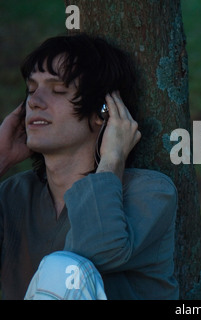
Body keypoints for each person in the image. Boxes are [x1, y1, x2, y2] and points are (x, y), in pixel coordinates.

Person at [0, 33, 179, 300]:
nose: (34, 101)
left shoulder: (151, 193)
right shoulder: (14, 193)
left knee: (62, 269)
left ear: (102, 112)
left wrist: (112, 160)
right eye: (31, 89)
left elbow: (96, 250)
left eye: (58, 89)